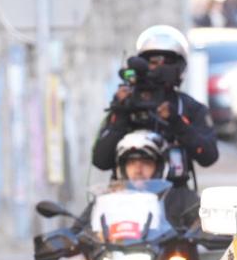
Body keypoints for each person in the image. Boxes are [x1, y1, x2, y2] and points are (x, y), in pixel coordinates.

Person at [92, 25, 218, 181]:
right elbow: (101, 161)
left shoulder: (188, 107)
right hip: (126, 196)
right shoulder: (126, 103)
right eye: (152, 62)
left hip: (174, 196)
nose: (158, 68)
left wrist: (176, 122)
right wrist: (120, 113)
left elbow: (208, 157)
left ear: (179, 67)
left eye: (166, 62)